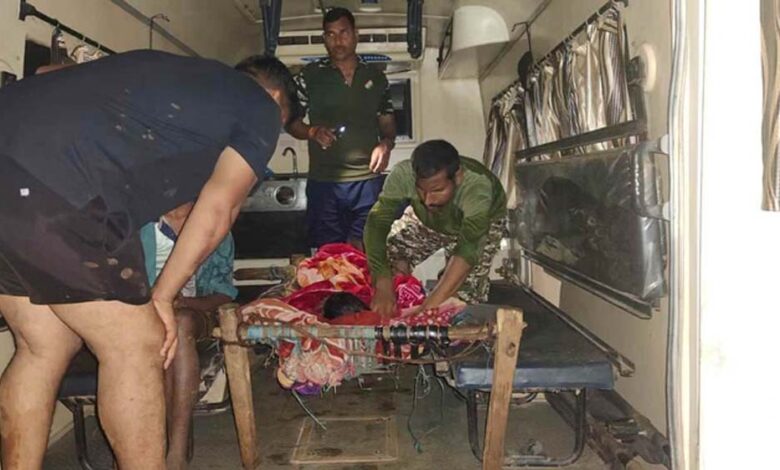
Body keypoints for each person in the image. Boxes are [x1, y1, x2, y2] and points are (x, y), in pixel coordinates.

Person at [0, 50, 298, 469]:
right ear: (275, 97)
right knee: (137, 345)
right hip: (59, 187)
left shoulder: (172, 74)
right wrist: (162, 296)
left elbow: (47, 71)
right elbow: (219, 209)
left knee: (42, 347)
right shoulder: (260, 106)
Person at [286, 7, 397, 251]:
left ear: (356, 34)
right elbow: (292, 122)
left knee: (367, 253)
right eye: (330, 34)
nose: (337, 41)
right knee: (329, 257)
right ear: (324, 38)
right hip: (324, 182)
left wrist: (386, 144)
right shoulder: (309, 76)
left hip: (367, 182)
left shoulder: (376, 77)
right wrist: (312, 132)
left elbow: (388, 125)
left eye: (343, 33)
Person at [140, 202, 237, 470]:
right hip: (142, 315)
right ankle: (158, 442)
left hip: (193, 313)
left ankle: (177, 452)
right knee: (158, 332)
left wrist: (183, 302)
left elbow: (225, 292)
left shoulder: (214, 225)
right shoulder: (139, 225)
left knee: (180, 323)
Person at [364, 140, 508, 318]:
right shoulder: (404, 174)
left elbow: (468, 250)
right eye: (421, 190)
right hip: (427, 219)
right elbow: (377, 222)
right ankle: (402, 298)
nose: (427, 200)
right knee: (386, 259)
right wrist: (383, 284)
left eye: (437, 190)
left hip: (481, 226)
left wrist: (427, 310)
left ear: (458, 177)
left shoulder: (477, 187)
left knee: (459, 300)